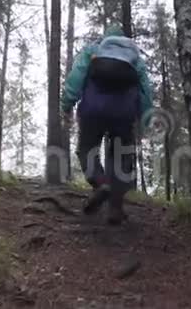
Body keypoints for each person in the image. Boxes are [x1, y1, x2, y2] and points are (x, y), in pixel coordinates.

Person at [61, 26, 153, 225]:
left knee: (87, 149)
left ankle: (101, 184)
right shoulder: (135, 57)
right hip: (123, 114)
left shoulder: (93, 50)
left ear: (106, 38)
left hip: (92, 110)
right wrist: (145, 118)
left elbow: (76, 77)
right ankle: (115, 208)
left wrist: (67, 104)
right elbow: (145, 89)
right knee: (121, 156)